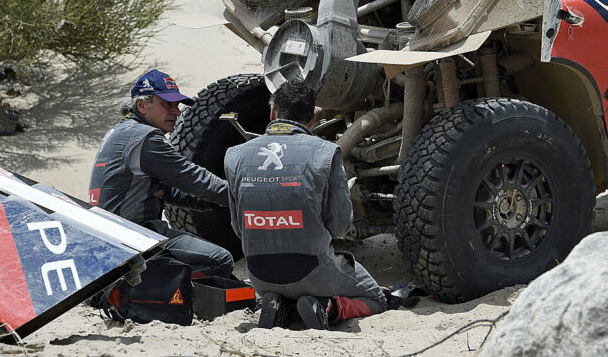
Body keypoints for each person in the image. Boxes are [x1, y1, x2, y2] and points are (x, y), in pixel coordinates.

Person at [224, 79, 387, 330]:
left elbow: (237, 227)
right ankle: (327, 308)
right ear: (312, 119)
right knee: (376, 298)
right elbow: (341, 227)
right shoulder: (325, 152)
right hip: (312, 272)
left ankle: (281, 305)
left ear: (272, 113)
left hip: (259, 275)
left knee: (284, 284)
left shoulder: (234, 155)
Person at [89, 69, 233, 278]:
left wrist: (211, 201)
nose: (176, 111)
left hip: (112, 236)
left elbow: (163, 192)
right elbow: (193, 178)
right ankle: (149, 294)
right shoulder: (145, 138)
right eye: (167, 104)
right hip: (133, 237)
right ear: (141, 105)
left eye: (177, 104)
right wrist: (242, 195)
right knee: (220, 260)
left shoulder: (121, 132)